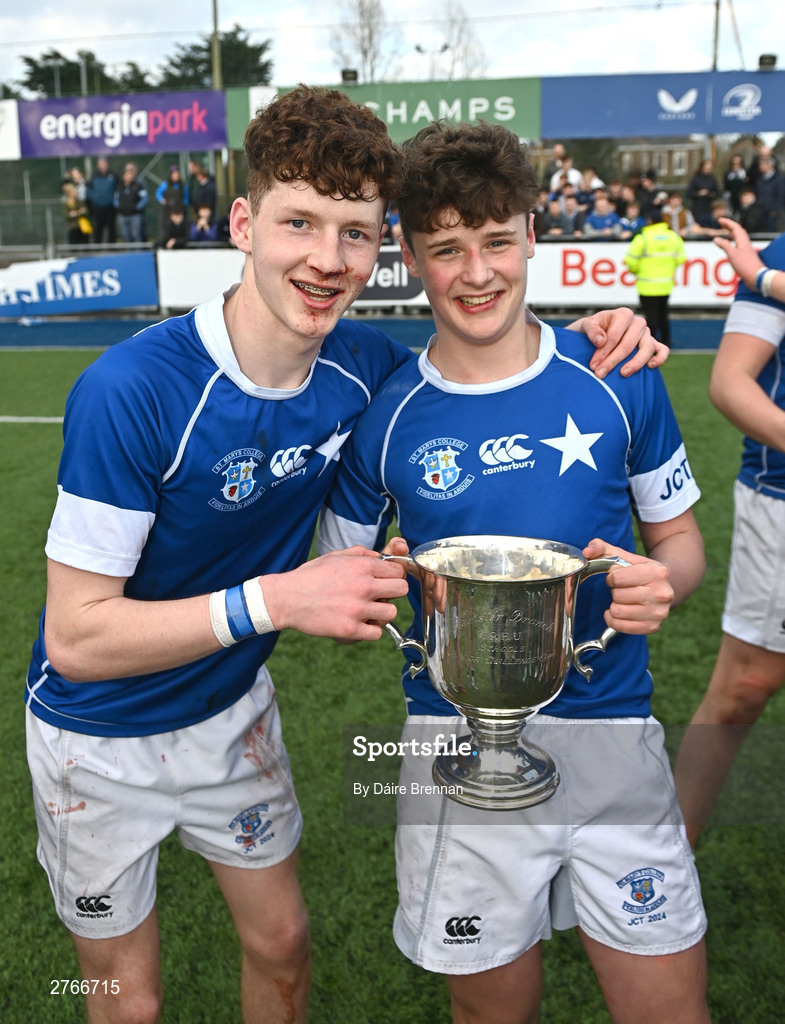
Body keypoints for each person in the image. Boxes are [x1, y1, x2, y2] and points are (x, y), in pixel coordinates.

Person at [24, 85, 661, 1024]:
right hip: (93, 739)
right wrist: (277, 601)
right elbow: (77, 639)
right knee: (124, 998)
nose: (327, 260)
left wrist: (603, 331)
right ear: (243, 223)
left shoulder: (359, 365)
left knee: (283, 947)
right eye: (298, 223)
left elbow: (481, 352)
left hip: (232, 711)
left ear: (380, 250)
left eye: (355, 233)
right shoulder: (130, 389)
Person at [318, 120, 709, 1024]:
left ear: (532, 233)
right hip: (449, 752)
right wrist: (371, 579)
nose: (477, 272)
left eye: (496, 241)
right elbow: (337, 565)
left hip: (613, 737)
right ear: (409, 256)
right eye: (447, 249)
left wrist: (663, 584)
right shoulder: (388, 416)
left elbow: (681, 546)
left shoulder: (616, 372)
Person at [675, 218, 785, 847]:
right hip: (781, 495)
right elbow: (729, 382)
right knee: (744, 688)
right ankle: (664, 856)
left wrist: (765, 276)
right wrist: (767, 274)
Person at [624, 208, 686, 347]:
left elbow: (630, 260)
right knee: (663, 313)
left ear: (649, 221)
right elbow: (681, 258)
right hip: (665, 283)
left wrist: (636, 270)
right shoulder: (673, 237)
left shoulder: (643, 238)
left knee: (650, 317)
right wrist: (668, 266)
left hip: (646, 284)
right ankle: (666, 341)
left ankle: (651, 344)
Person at [114, 162, 148, 243]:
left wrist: (136, 207)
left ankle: (138, 253)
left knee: (136, 234)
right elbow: (115, 198)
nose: (129, 176)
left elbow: (144, 198)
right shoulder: (119, 186)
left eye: (130, 174)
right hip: (123, 215)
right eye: (127, 174)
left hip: (135, 215)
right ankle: (129, 254)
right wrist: (119, 207)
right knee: (125, 235)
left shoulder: (138, 185)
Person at [87, 158, 118, 244]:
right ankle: (97, 246)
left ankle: (112, 247)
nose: (102, 165)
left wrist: (114, 200)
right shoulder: (94, 175)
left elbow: (118, 189)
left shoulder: (114, 175)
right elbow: (90, 190)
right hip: (97, 207)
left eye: (104, 163)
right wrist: (94, 199)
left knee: (111, 227)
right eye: (100, 164)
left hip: (110, 206)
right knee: (97, 227)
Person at [687, 159, 720, 228]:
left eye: (710, 167)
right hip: (698, 207)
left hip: (709, 206)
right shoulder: (696, 178)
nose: (708, 169)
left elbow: (717, 192)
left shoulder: (713, 178)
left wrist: (711, 194)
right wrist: (699, 193)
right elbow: (689, 193)